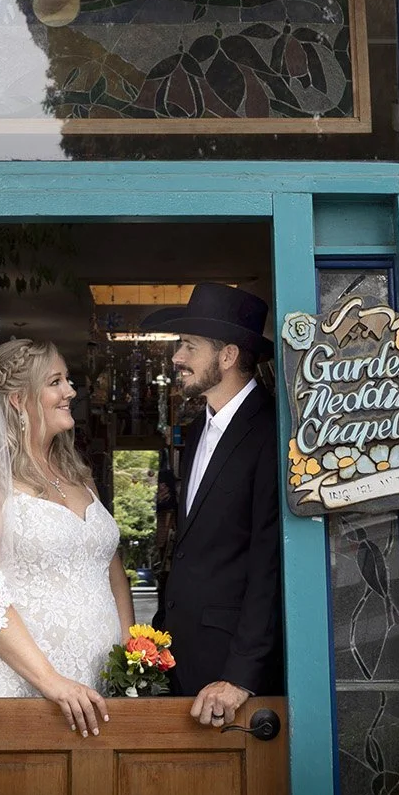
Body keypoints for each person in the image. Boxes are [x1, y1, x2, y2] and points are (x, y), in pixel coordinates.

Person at [0, 338, 133, 737]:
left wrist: (128, 655)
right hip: (20, 683)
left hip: (99, 685)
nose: (70, 391)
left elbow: (111, 567)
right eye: (56, 381)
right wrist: (51, 681)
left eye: (67, 380)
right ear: (19, 399)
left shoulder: (79, 474)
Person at [147, 283, 283, 730]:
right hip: (182, 658)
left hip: (232, 675)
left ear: (227, 357)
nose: (176, 358)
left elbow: (270, 561)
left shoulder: (271, 434)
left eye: (189, 346)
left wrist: (240, 677)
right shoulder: (194, 432)